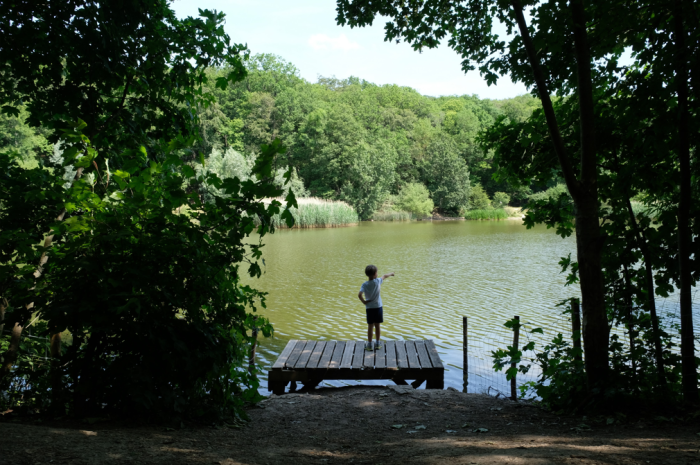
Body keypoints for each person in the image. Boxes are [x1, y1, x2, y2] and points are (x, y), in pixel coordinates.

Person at [357, 265, 395, 351]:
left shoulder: (365, 284)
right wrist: (391, 274)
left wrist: (364, 302)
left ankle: (369, 345)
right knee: (377, 326)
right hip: (378, 307)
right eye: (377, 272)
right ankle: (377, 343)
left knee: (370, 326)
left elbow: (359, 295)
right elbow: (385, 276)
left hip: (369, 308)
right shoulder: (378, 281)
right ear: (375, 274)